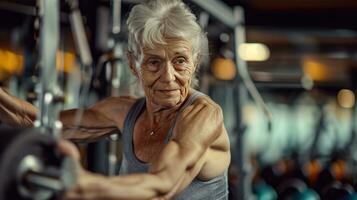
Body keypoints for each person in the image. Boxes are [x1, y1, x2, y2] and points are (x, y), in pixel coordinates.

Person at [0, 0, 231, 199]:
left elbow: (161, 188)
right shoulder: (125, 111)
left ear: (195, 62)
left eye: (180, 61)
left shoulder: (203, 116)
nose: (168, 77)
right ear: (133, 65)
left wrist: (84, 185)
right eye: (153, 62)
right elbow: (32, 121)